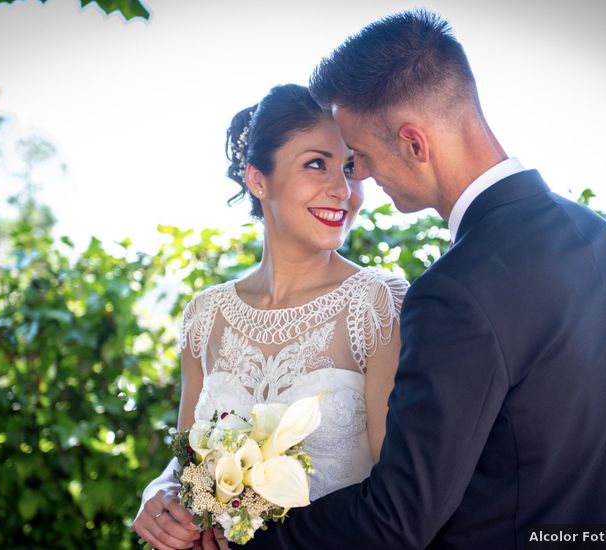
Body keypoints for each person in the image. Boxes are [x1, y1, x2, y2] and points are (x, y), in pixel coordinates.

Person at [222, 10, 606, 550]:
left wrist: (245, 540)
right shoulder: (601, 240)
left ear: (414, 143)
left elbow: (398, 518)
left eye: (363, 156)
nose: (362, 178)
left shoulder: (456, 292)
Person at [132, 83, 408, 550]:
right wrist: (159, 491)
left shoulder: (377, 305)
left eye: (350, 167)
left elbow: (399, 499)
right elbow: (186, 466)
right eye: (315, 163)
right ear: (258, 180)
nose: (342, 190)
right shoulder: (206, 316)